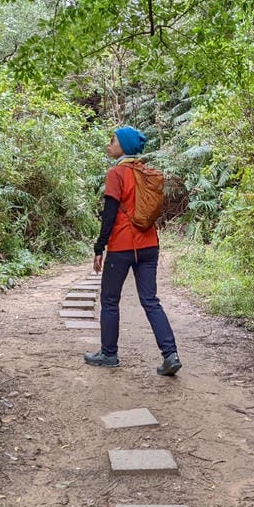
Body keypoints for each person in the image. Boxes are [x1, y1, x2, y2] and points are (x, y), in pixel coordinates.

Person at [84, 125, 182, 375]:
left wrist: (99, 247)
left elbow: (109, 214)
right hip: (149, 244)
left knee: (109, 300)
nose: (109, 144)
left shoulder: (116, 174)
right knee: (150, 300)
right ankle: (170, 354)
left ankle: (109, 354)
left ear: (124, 146)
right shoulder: (146, 172)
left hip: (122, 245)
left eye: (113, 140)